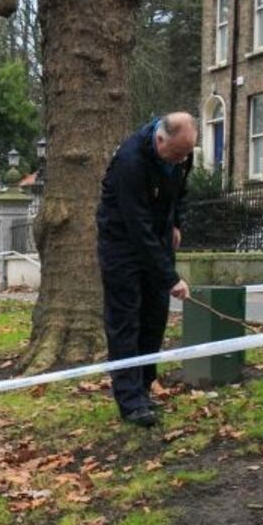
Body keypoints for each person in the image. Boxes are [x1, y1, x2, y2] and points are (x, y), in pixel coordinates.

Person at [95, 112, 197, 428]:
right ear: (160, 139)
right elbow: (137, 227)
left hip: (157, 237)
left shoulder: (181, 153)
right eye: (177, 154)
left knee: (154, 317)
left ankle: (144, 386)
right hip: (122, 243)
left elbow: (178, 191)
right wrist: (170, 277)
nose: (181, 160)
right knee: (126, 320)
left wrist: (176, 222)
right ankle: (131, 401)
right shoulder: (130, 161)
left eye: (185, 154)